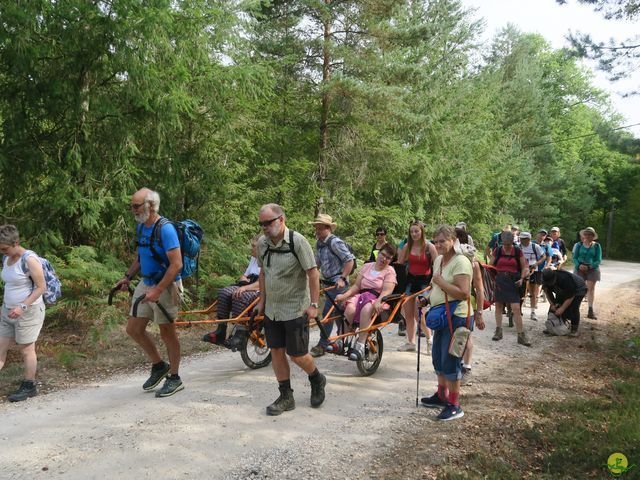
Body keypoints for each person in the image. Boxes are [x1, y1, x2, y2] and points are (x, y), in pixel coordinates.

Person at [255, 203, 326, 416]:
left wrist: (314, 305)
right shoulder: (262, 244)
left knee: (297, 354)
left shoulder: (298, 241)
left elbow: (313, 273)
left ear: (281, 219)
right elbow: (263, 273)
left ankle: (316, 378)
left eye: (268, 223)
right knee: (276, 350)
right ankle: (286, 396)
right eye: (261, 224)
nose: (265, 227)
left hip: (295, 308)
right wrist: (261, 301)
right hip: (272, 308)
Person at [116, 188, 185, 398]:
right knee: (133, 329)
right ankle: (158, 365)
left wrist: (158, 289)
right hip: (146, 283)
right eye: (132, 206)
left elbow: (176, 264)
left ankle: (175, 377)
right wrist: (127, 277)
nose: (132, 210)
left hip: (166, 285)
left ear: (151, 206)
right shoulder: (141, 228)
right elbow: (141, 256)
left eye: (136, 206)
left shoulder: (165, 229)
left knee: (167, 333)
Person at [420, 225, 472, 421]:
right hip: (441, 315)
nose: (439, 244)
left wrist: (441, 283)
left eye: (443, 241)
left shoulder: (461, 262)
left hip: (457, 316)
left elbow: (464, 293)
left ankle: (454, 405)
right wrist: (426, 298)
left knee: (451, 360)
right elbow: (435, 286)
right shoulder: (440, 260)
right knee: (438, 358)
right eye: (436, 241)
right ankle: (441, 396)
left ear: (453, 240)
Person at [0, 225, 46, 402]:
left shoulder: (30, 259)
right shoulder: (7, 258)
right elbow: (11, 284)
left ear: (16, 242)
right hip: (7, 311)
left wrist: (22, 307)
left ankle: (29, 385)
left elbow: (42, 287)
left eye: (5, 248)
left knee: (26, 350)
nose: (2, 252)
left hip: (28, 311)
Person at [334, 243, 397, 360]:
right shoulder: (367, 266)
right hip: (362, 296)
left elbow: (387, 291)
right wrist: (344, 295)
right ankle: (341, 340)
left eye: (388, 258)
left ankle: (361, 345)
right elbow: (357, 286)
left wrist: (379, 300)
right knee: (350, 307)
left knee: (367, 308)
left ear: (391, 260)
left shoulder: (390, 271)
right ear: (378, 253)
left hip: (377, 298)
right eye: (383, 255)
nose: (384, 259)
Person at [308, 214, 355, 357]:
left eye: (320, 228)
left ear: (328, 228)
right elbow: (318, 262)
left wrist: (342, 278)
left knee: (328, 313)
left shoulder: (335, 242)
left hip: (338, 283)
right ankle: (342, 339)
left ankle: (323, 344)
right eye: (316, 228)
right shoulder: (319, 243)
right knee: (339, 313)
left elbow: (349, 260)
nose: (317, 231)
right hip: (327, 281)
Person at [202, 236, 261, 349]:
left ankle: (240, 334)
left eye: (253, 246)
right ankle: (221, 331)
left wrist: (246, 287)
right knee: (224, 293)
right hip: (248, 284)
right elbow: (245, 275)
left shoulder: (267, 259)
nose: (251, 248)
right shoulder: (253, 258)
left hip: (259, 289)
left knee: (240, 295)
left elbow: (263, 282)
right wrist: (244, 281)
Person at [396, 221, 437, 351]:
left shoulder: (429, 247)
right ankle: (411, 342)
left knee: (419, 314)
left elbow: (437, 265)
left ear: (422, 231)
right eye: (412, 231)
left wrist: (435, 283)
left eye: (416, 231)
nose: (414, 234)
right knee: (407, 314)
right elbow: (400, 264)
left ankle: (429, 339)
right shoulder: (407, 246)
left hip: (424, 283)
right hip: (410, 282)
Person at [491, 230, 531, 346]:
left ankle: (521, 335)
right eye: (505, 244)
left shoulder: (518, 251)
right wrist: (493, 280)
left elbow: (524, 267)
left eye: (509, 244)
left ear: (513, 242)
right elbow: (491, 266)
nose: (507, 247)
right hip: (499, 280)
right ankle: (498, 331)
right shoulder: (497, 250)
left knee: (516, 308)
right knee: (498, 306)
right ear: (502, 242)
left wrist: (522, 278)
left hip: (513, 281)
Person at [455, 233, 486, 381]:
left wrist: (479, 312)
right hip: (452, 301)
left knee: (466, 335)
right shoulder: (450, 260)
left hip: (467, 302)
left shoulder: (473, 263)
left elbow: (479, 288)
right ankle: (459, 365)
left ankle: (467, 367)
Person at [542, 269, 587, 337]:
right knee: (555, 307)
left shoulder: (564, 278)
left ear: (554, 278)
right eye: (548, 282)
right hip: (563, 290)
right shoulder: (545, 279)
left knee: (573, 307)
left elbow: (571, 295)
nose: (549, 284)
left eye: (550, 282)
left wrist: (562, 308)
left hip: (579, 289)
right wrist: (552, 304)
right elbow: (547, 292)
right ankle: (554, 326)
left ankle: (574, 330)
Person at [572, 227, 602, 320]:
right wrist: (579, 265)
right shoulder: (578, 245)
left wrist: (589, 266)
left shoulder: (597, 246)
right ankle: (575, 309)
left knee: (590, 289)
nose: (588, 236)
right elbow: (574, 258)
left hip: (592, 269)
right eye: (586, 234)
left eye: (590, 234)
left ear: (593, 236)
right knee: (578, 289)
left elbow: (598, 260)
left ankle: (590, 310)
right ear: (583, 235)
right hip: (579, 268)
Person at [519, 232, 546, 321]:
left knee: (533, 292)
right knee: (520, 291)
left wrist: (536, 264)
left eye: (523, 239)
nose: (521, 240)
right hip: (521, 270)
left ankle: (533, 312)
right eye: (521, 238)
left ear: (528, 239)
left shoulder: (535, 246)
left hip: (533, 270)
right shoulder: (518, 247)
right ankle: (518, 310)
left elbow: (543, 256)